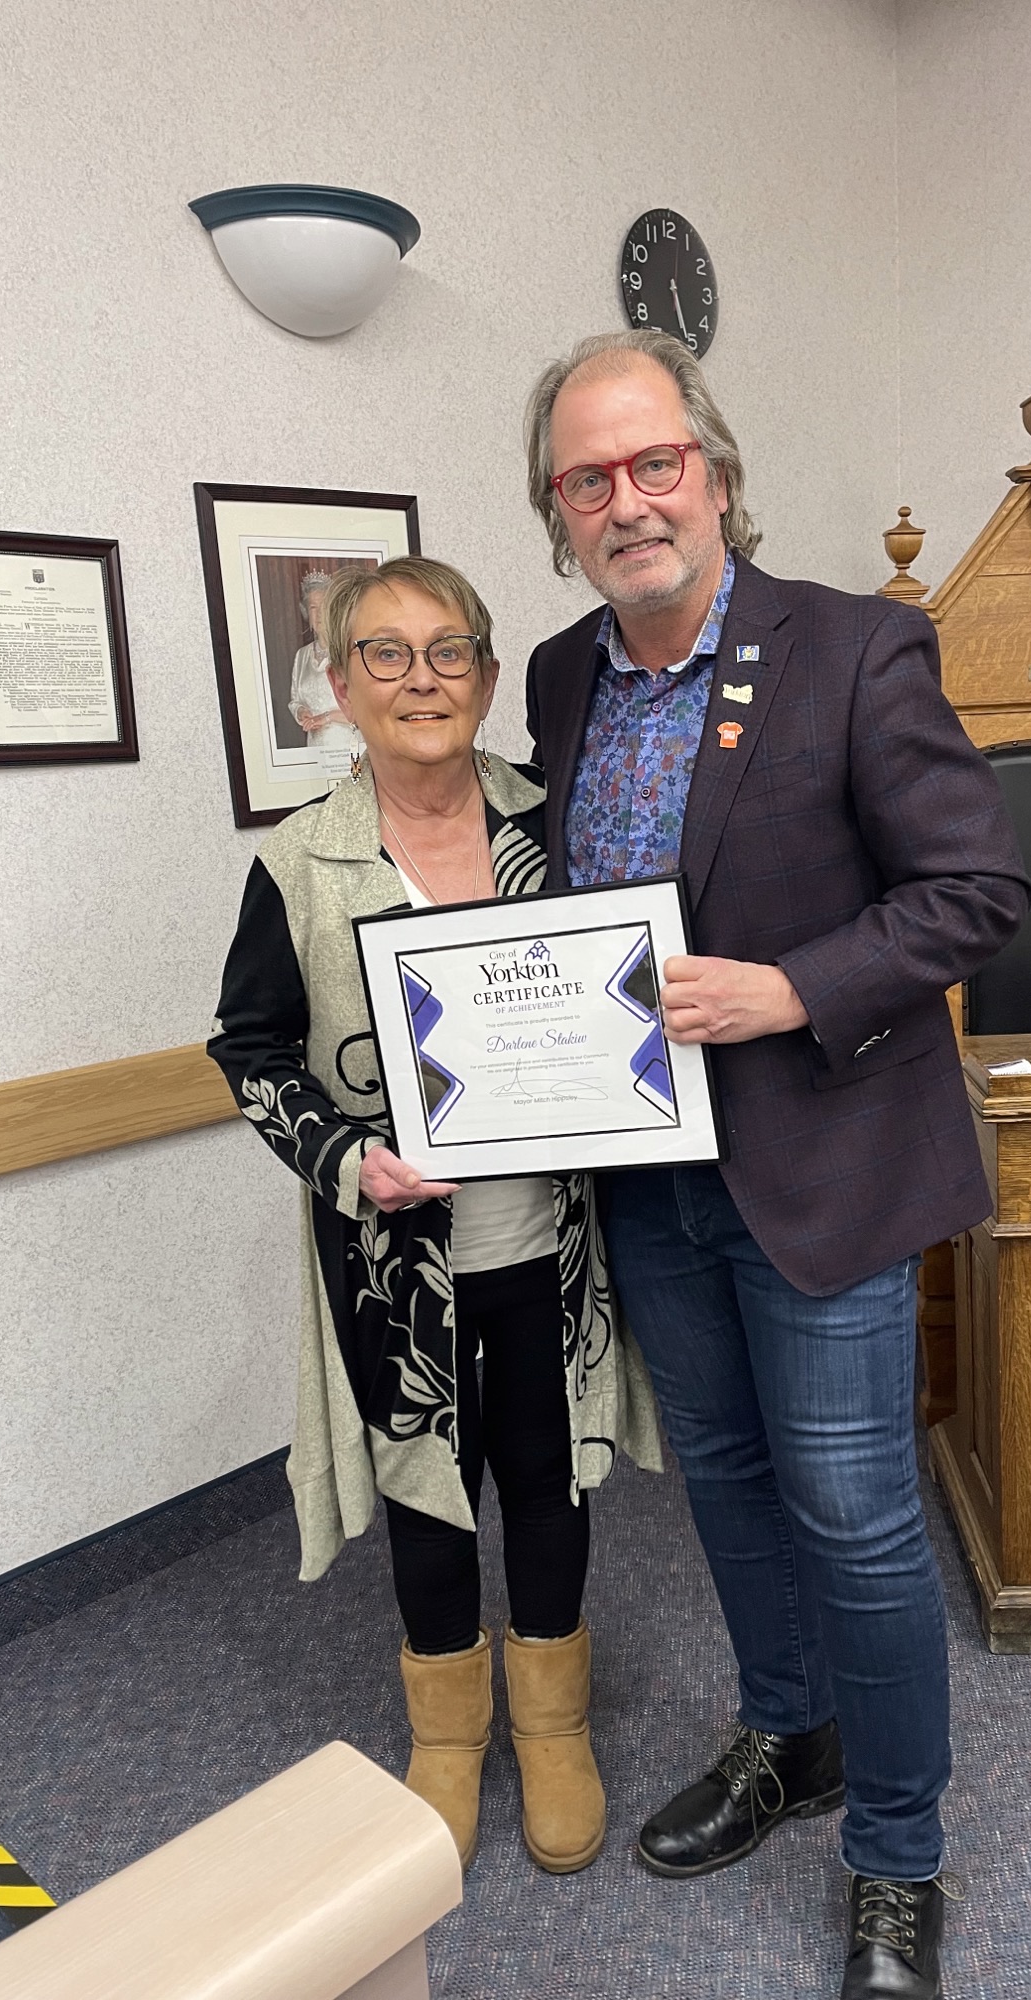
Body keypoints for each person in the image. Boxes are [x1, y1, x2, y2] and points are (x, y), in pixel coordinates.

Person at [521, 331, 1030, 2000]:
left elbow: (974, 891)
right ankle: (789, 1738)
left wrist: (796, 986)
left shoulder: (861, 649)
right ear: (558, 515)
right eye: (588, 478)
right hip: (650, 1178)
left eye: (654, 462)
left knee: (861, 1517)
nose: (627, 499)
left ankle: (898, 1851)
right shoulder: (559, 678)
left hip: (826, 1168)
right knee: (727, 1490)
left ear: (717, 474)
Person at [209, 554, 660, 1875]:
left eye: (448, 649)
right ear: (341, 689)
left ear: (484, 669)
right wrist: (352, 1161)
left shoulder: (556, 819)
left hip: (552, 1246)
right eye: (387, 656)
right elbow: (251, 1052)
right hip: (396, 1263)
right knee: (430, 1494)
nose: (421, 679)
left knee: (548, 1479)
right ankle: (450, 1741)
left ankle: (556, 1724)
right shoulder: (299, 863)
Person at [287, 569, 349, 751]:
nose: (320, 613)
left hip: (348, 748)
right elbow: (295, 700)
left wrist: (327, 717)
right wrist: (301, 713)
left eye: (324, 606)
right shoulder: (301, 655)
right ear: (306, 612)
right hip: (315, 748)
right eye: (313, 607)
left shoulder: (348, 651)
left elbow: (365, 711)